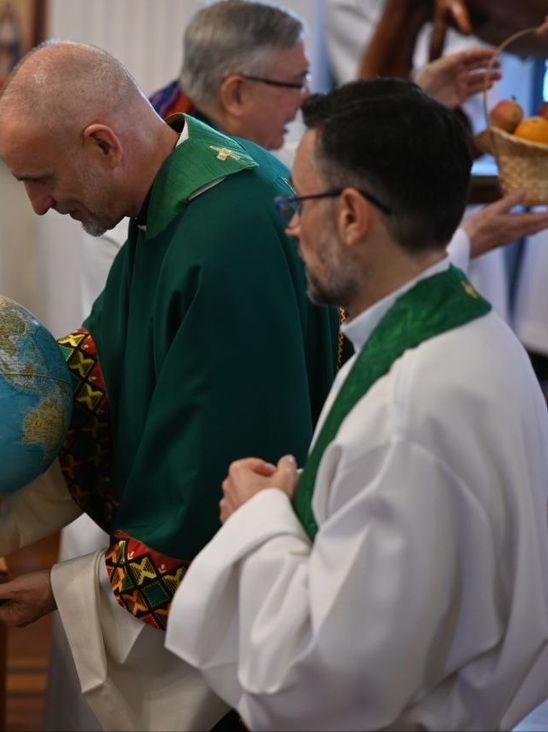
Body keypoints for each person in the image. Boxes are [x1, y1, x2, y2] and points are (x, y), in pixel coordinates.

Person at [0, 40, 340, 730]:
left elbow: (206, 480)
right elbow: (101, 362)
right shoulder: (181, 189)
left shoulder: (225, 235)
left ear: (104, 145)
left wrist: (64, 587)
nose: (39, 205)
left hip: (238, 653)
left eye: (40, 178)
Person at [164, 78, 548, 730]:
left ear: (349, 214)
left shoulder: (409, 405)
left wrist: (260, 520)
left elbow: (321, 684)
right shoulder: (475, 334)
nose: (290, 226)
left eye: (297, 201)